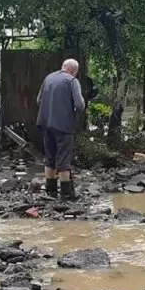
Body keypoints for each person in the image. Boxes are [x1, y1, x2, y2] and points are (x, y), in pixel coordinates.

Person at [36, 58, 85, 201]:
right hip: (63, 126)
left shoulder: (48, 78)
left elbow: (39, 101)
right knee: (64, 159)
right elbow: (80, 105)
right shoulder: (72, 81)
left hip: (46, 125)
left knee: (50, 158)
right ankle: (66, 194)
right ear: (74, 71)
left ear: (63, 66)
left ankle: (50, 192)